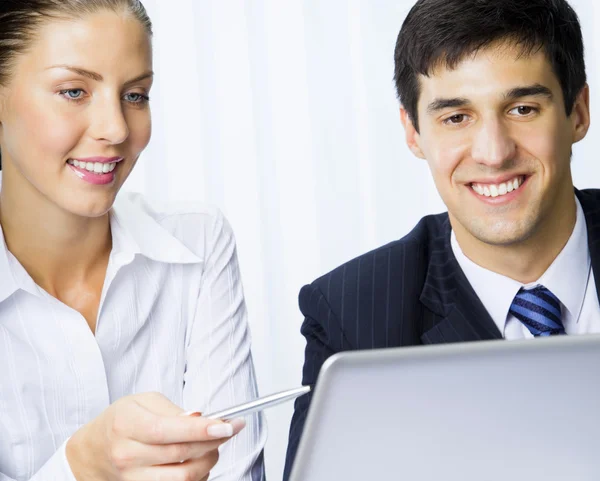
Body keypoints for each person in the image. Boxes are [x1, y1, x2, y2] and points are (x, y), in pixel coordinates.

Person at [283, 0, 600, 477]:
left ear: (577, 113)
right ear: (413, 133)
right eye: (456, 117)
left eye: (522, 108)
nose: (493, 152)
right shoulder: (352, 318)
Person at [0, 1, 265, 480]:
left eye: (136, 95)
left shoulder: (198, 244)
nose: (117, 128)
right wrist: (81, 466)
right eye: (74, 90)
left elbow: (235, 470)